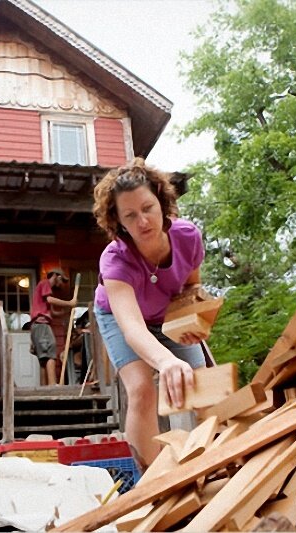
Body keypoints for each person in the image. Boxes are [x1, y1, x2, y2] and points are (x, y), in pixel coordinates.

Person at [92, 157, 209, 468]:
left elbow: (191, 288)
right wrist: (166, 360)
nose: (142, 221)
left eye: (148, 208)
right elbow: (132, 328)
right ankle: (151, 481)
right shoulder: (115, 260)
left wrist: (194, 317)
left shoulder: (187, 237)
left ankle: (212, 465)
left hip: (166, 312)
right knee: (143, 389)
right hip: (122, 320)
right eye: (130, 215)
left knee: (203, 383)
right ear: (118, 221)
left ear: (162, 203)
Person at [30, 268, 77, 386]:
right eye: (61, 280)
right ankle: (52, 384)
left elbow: (53, 313)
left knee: (43, 359)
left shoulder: (43, 292)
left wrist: (67, 311)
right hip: (41, 324)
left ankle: (43, 387)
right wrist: (69, 302)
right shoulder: (44, 283)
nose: (61, 284)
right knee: (50, 352)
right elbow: (50, 299)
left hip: (37, 326)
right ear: (56, 276)